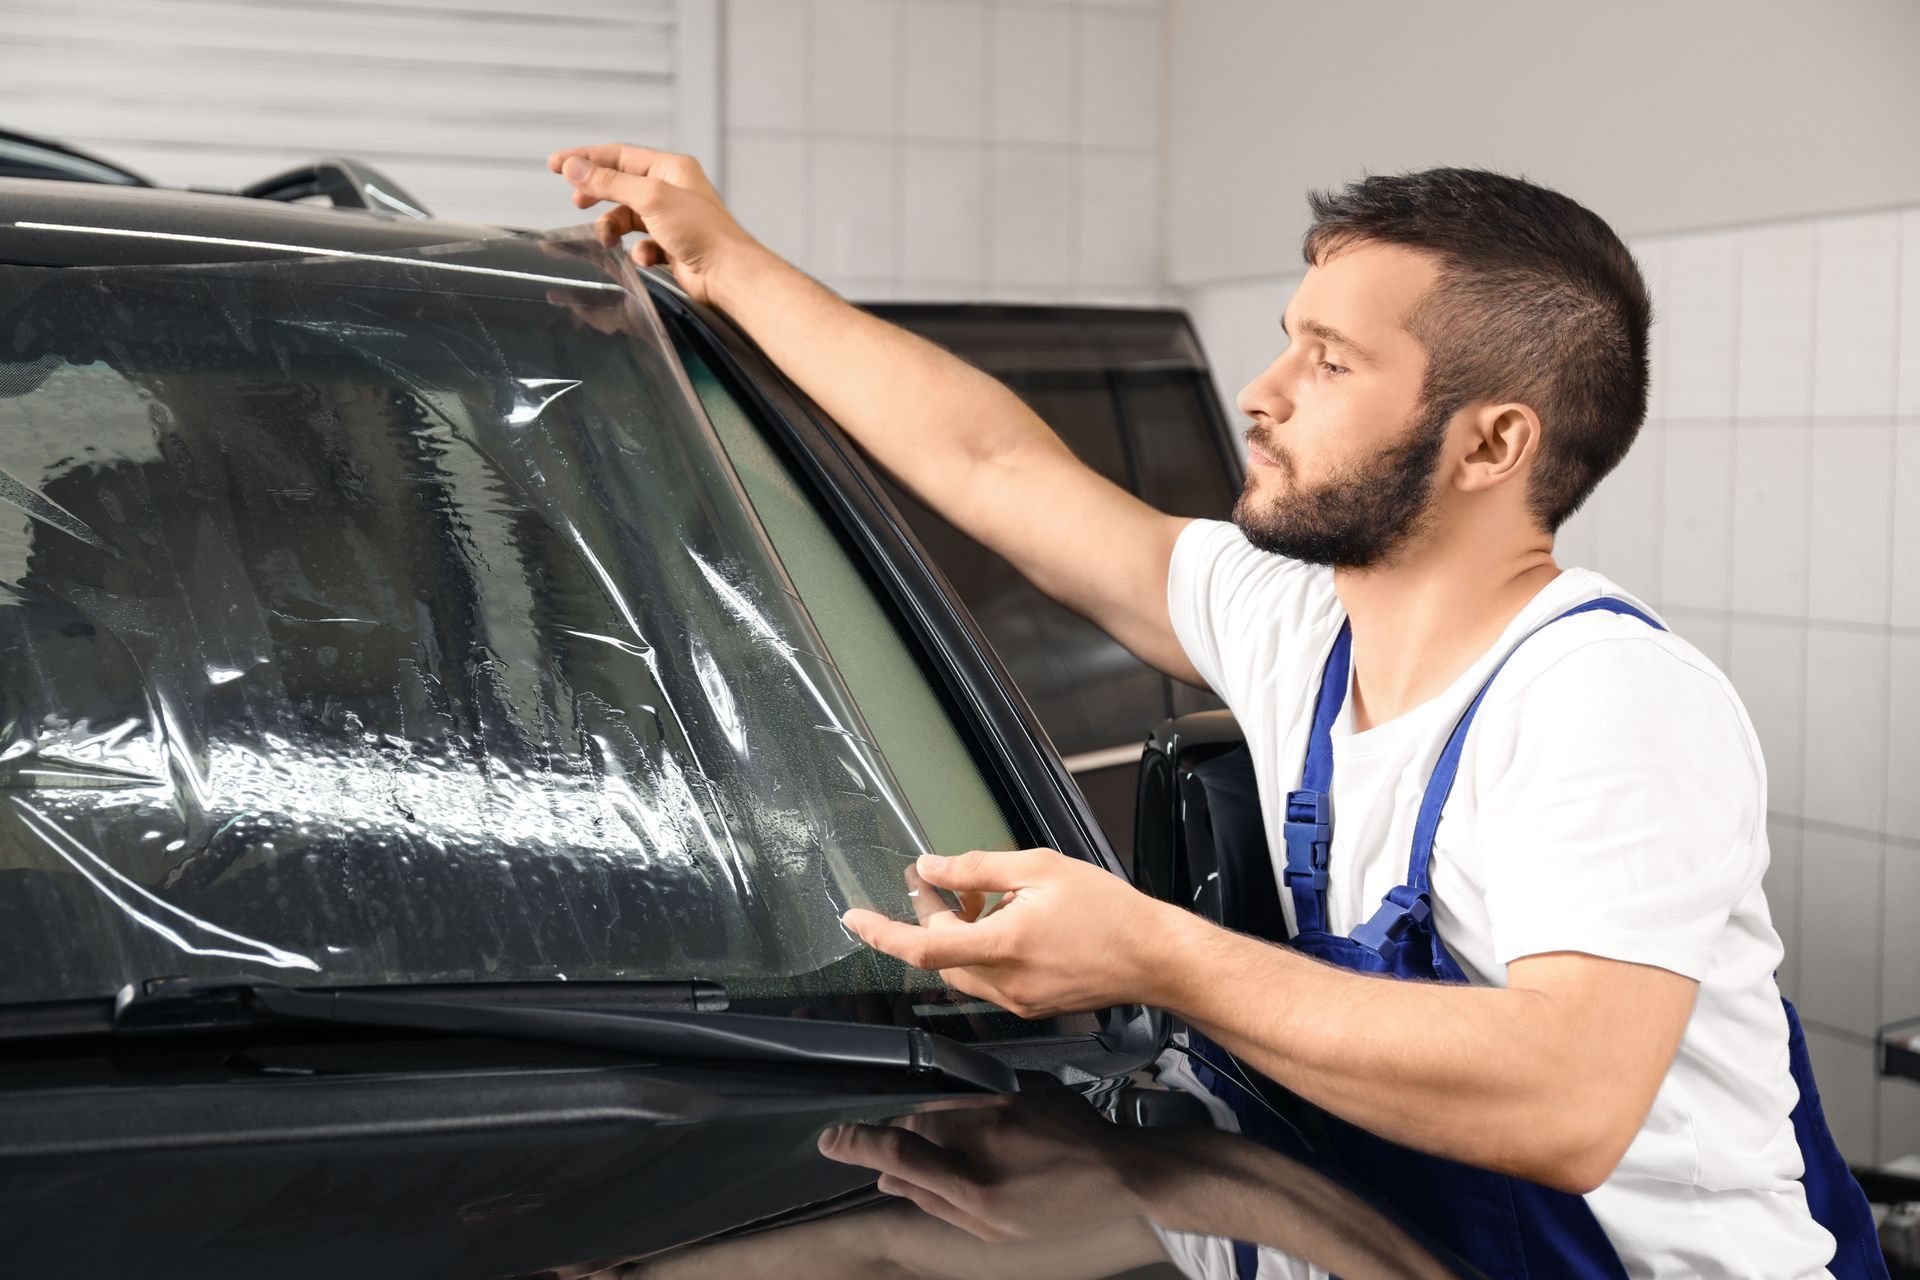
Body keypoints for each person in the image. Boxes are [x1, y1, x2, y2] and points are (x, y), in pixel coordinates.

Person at [548, 145, 1885, 1280]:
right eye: (1286, 343)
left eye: (1330, 361)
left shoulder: (1604, 699)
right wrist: (727, 263)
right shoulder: (1303, 625)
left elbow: (1567, 1098)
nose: (1264, 392)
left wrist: (1157, 955)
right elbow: (993, 460)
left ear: (1491, 444)